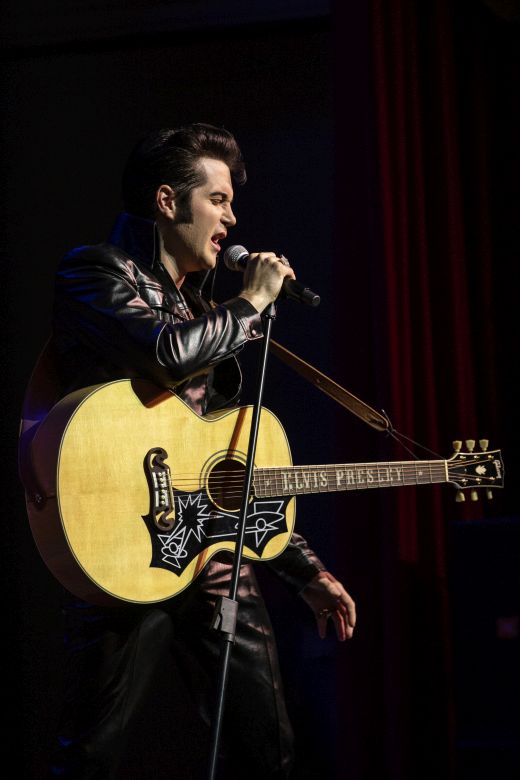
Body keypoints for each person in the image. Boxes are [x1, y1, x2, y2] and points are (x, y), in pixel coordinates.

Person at [20, 123, 356, 779]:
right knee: (92, 752)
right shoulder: (94, 272)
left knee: (268, 747)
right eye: (218, 200)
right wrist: (251, 302)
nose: (232, 219)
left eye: (232, 203)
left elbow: (223, 463)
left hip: (207, 550)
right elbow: (165, 354)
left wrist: (306, 572)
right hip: (119, 546)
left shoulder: (202, 308)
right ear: (168, 201)